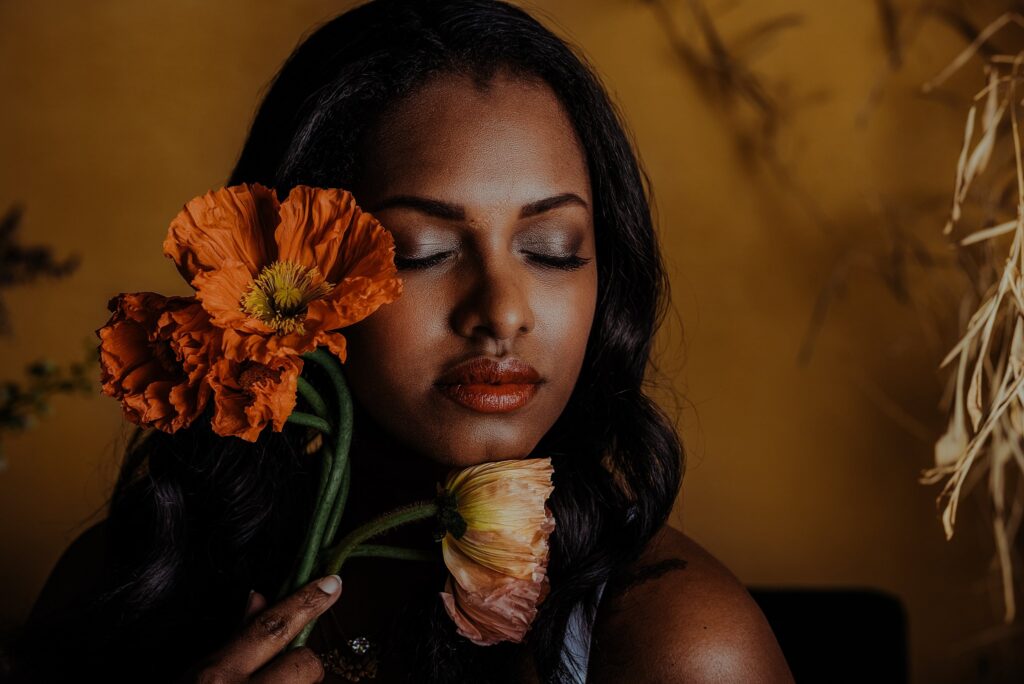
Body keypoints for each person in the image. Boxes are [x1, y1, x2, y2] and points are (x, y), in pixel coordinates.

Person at [9, 1, 792, 682]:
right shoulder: (129, 581)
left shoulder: (677, 640)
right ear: (292, 272)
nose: (503, 312)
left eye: (553, 250)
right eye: (422, 251)